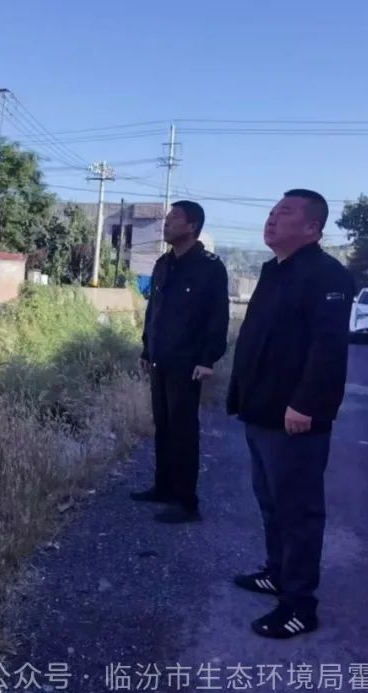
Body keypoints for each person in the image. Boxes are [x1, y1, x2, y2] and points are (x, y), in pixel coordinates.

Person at [227, 188, 355, 639]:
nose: (272, 218)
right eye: (272, 210)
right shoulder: (274, 269)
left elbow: (328, 350)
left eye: (285, 212)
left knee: (298, 512)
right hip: (261, 411)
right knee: (270, 502)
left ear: (312, 228)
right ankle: (277, 572)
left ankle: (299, 605)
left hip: (295, 417)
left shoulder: (327, 275)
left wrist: (306, 405)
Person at [131, 200, 229, 524]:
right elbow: (154, 312)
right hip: (160, 359)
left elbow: (217, 317)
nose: (166, 223)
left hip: (188, 364)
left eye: (174, 218)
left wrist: (207, 359)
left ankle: (187, 503)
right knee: (163, 426)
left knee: (184, 431)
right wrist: (147, 350)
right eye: (167, 218)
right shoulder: (163, 264)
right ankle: (163, 487)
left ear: (192, 226)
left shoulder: (210, 267)